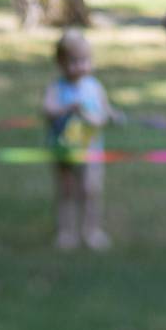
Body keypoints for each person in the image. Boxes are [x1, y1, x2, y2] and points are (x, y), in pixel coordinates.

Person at [43, 30, 117, 250]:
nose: (79, 67)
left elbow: (103, 114)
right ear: (60, 62)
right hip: (63, 149)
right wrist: (68, 107)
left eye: (84, 61)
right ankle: (66, 232)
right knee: (66, 191)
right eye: (73, 62)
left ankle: (92, 231)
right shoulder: (56, 88)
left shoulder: (94, 87)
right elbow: (47, 110)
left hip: (90, 149)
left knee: (90, 189)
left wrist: (103, 116)